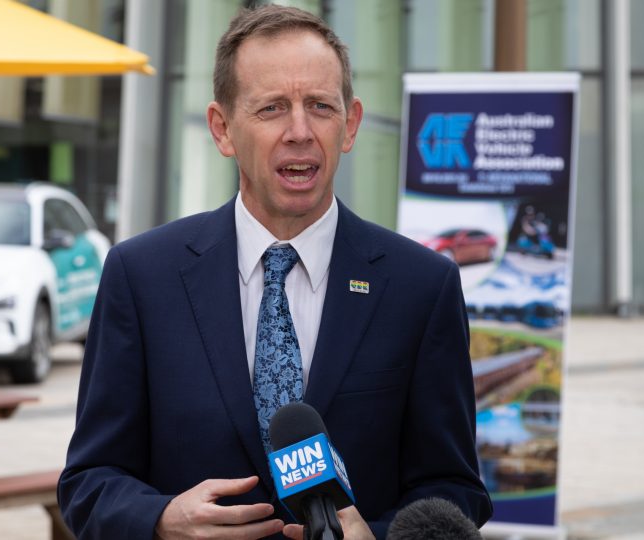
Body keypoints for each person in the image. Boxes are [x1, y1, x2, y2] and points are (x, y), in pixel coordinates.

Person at [58, 5, 492, 539]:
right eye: (272, 109)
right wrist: (161, 519)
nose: (300, 131)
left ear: (350, 124)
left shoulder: (422, 286)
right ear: (222, 129)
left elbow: (456, 490)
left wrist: (377, 538)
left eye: (320, 106)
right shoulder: (141, 276)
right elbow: (88, 482)